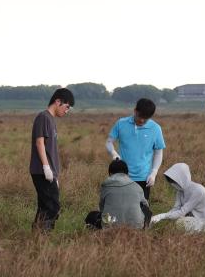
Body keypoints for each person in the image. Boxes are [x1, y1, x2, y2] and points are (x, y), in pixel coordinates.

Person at [29, 87, 74, 231]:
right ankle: (42, 236)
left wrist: (54, 175)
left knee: (44, 206)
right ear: (58, 101)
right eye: (66, 107)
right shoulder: (43, 117)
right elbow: (39, 142)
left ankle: (37, 238)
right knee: (52, 207)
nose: (66, 111)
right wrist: (46, 167)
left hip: (49, 173)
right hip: (42, 171)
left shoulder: (51, 120)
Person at [106, 97, 165, 200]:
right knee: (121, 207)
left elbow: (158, 152)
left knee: (142, 210)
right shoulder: (121, 123)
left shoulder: (156, 129)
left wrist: (154, 173)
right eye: (140, 116)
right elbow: (109, 142)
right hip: (122, 175)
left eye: (145, 118)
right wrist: (113, 152)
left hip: (144, 178)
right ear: (135, 111)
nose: (142, 120)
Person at [149, 162, 205, 232]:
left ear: (182, 178)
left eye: (174, 181)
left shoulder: (198, 191)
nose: (172, 184)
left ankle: (197, 238)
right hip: (196, 219)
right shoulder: (180, 191)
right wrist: (159, 217)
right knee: (175, 221)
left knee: (180, 223)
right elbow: (176, 209)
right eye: (171, 182)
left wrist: (162, 216)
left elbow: (182, 212)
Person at [85, 159, 152, 230]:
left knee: (91, 216)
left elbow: (102, 207)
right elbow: (146, 205)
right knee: (146, 209)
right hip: (136, 227)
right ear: (127, 173)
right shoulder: (137, 186)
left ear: (110, 174)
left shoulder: (106, 186)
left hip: (110, 226)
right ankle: (145, 228)